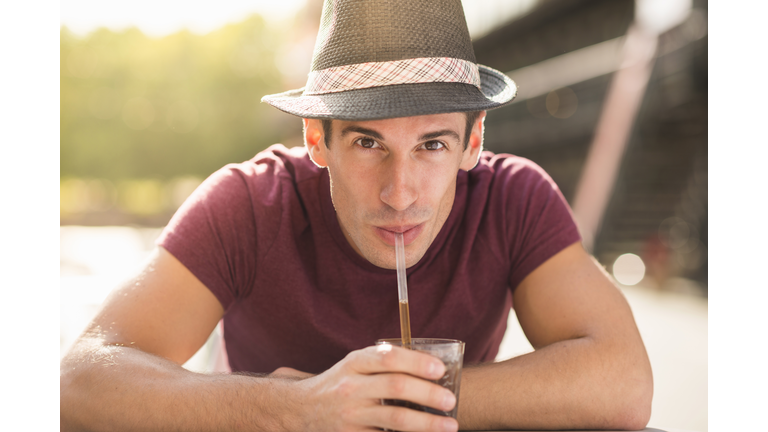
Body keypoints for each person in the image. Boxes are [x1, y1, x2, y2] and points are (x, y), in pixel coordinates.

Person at [60, 0, 653, 431]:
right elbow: (78, 381)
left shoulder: (513, 198)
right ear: (316, 139)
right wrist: (299, 408)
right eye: (368, 144)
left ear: (474, 141)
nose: (400, 193)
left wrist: (391, 397)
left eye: (432, 145)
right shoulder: (249, 203)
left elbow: (624, 382)